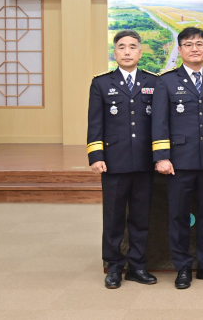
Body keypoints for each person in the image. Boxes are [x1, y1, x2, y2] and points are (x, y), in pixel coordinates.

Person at [152, 27, 203, 289]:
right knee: (179, 217)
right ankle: (183, 267)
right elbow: (159, 122)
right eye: (188, 44)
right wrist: (161, 157)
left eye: (199, 44)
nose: (195, 49)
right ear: (180, 50)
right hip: (179, 162)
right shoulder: (166, 81)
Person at [87, 30, 158, 289]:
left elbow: (160, 122)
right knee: (114, 217)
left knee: (140, 217)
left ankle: (137, 266)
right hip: (114, 162)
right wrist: (96, 155)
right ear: (114, 52)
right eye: (121, 47)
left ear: (140, 51)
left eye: (132, 46)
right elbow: (95, 122)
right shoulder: (101, 83)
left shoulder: (154, 82)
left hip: (144, 161)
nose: (127, 51)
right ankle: (114, 267)